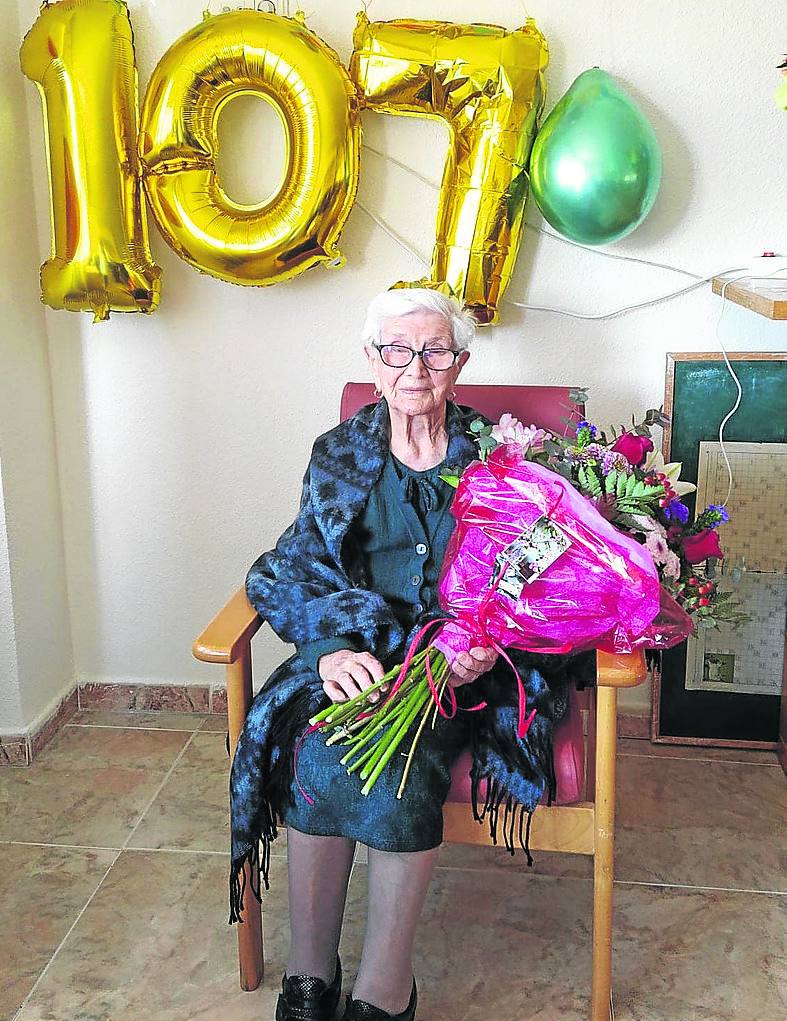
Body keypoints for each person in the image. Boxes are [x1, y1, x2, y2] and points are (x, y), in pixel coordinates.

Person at [231, 288, 574, 1021]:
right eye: (397, 350)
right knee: (318, 753)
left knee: (392, 768)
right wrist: (325, 649)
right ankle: (308, 977)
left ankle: (385, 988)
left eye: (435, 351)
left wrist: (489, 641)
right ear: (372, 360)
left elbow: (539, 580)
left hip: (459, 670)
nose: (415, 368)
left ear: (460, 362)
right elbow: (294, 565)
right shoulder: (339, 454)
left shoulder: (501, 459)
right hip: (356, 655)